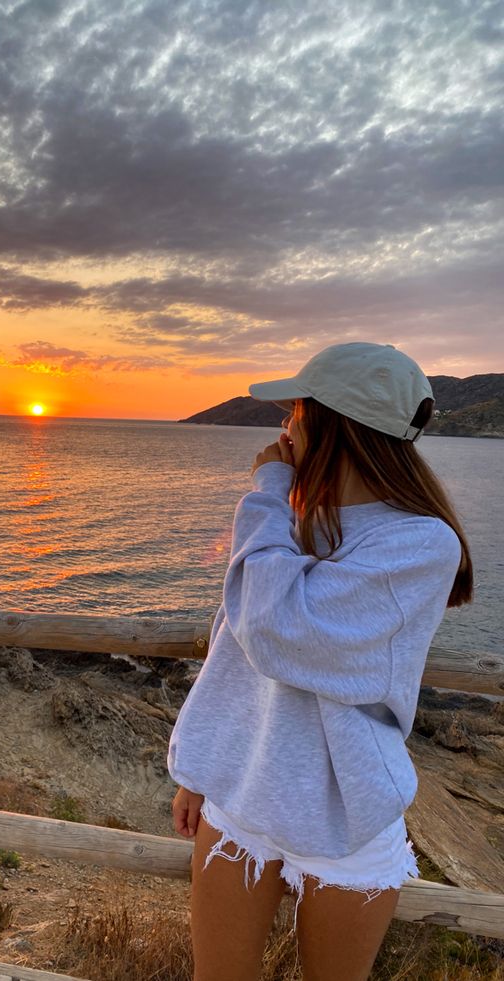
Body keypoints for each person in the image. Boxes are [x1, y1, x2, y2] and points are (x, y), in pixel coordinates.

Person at [167, 341, 473, 981]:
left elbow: (277, 632)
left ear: (334, 424)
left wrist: (268, 489)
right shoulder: (295, 519)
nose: (286, 424)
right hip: (244, 793)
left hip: (346, 814)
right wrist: (201, 766)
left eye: (297, 408)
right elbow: (236, 647)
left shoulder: (418, 543)